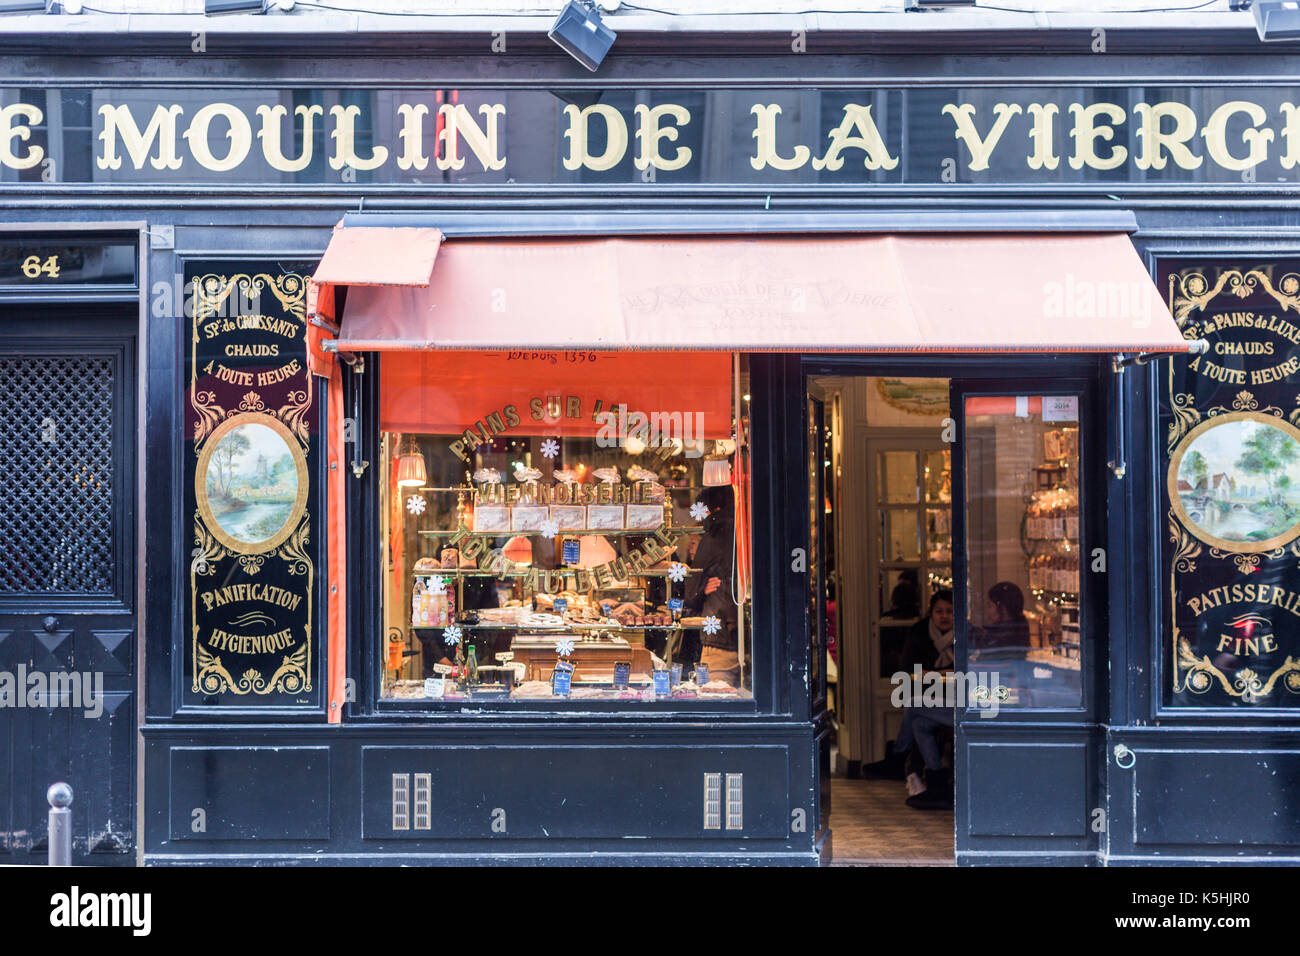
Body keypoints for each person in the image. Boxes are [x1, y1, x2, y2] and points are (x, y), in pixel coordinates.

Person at [863, 590, 954, 800]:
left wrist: (935, 674)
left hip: (958, 701)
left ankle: (898, 757)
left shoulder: (966, 636)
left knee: (914, 707)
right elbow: (908, 672)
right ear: (930, 613)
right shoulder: (920, 633)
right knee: (919, 724)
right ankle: (936, 782)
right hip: (930, 698)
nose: (944, 616)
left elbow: (966, 671)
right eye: (939, 611)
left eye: (949, 611)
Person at [681, 485, 738, 684]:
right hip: (748, 635)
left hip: (719, 635)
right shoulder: (747, 529)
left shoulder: (714, 534)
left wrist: (700, 587)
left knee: (717, 699)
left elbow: (690, 593)